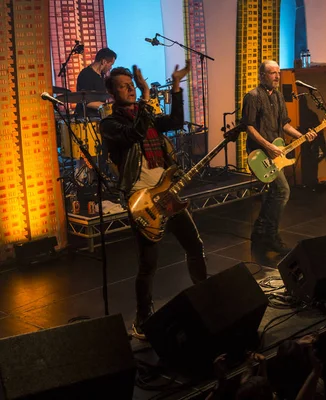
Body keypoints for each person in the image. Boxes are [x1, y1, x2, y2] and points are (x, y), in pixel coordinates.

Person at [100, 60, 207, 340]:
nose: (131, 90)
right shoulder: (110, 123)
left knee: (195, 246)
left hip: (166, 194)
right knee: (149, 263)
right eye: (124, 87)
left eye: (132, 85)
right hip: (142, 200)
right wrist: (147, 95)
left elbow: (175, 122)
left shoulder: (144, 116)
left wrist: (175, 87)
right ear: (113, 93)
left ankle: (207, 296)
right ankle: (142, 319)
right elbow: (134, 132)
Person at [241, 60, 317, 254]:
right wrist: (268, 146)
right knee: (282, 191)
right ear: (262, 76)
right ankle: (271, 236)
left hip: (277, 153)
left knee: (272, 194)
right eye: (272, 73)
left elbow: (284, 124)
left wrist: (302, 136)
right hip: (260, 154)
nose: (276, 76)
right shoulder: (252, 96)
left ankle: (259, 232)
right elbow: (249, 127)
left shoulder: (279, 96)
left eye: (277, 73)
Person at [75, 48, 117, 119]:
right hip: (87, 119)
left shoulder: (102, 76)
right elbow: (87, 102)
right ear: (104, 61)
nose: (111, 68)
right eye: (110, 64)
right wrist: (107, 107)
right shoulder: (86, 74)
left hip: (98, 117)